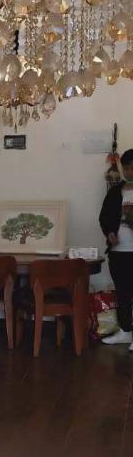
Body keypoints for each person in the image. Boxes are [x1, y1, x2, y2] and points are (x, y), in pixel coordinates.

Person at [100, 148, 133, 348]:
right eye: (126, 168)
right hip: (118, 252)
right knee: (123, 293)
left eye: (132, 168)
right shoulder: (115, 191)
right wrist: (109, 233)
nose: (129, 172)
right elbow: (104, 217)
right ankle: (125, 331)